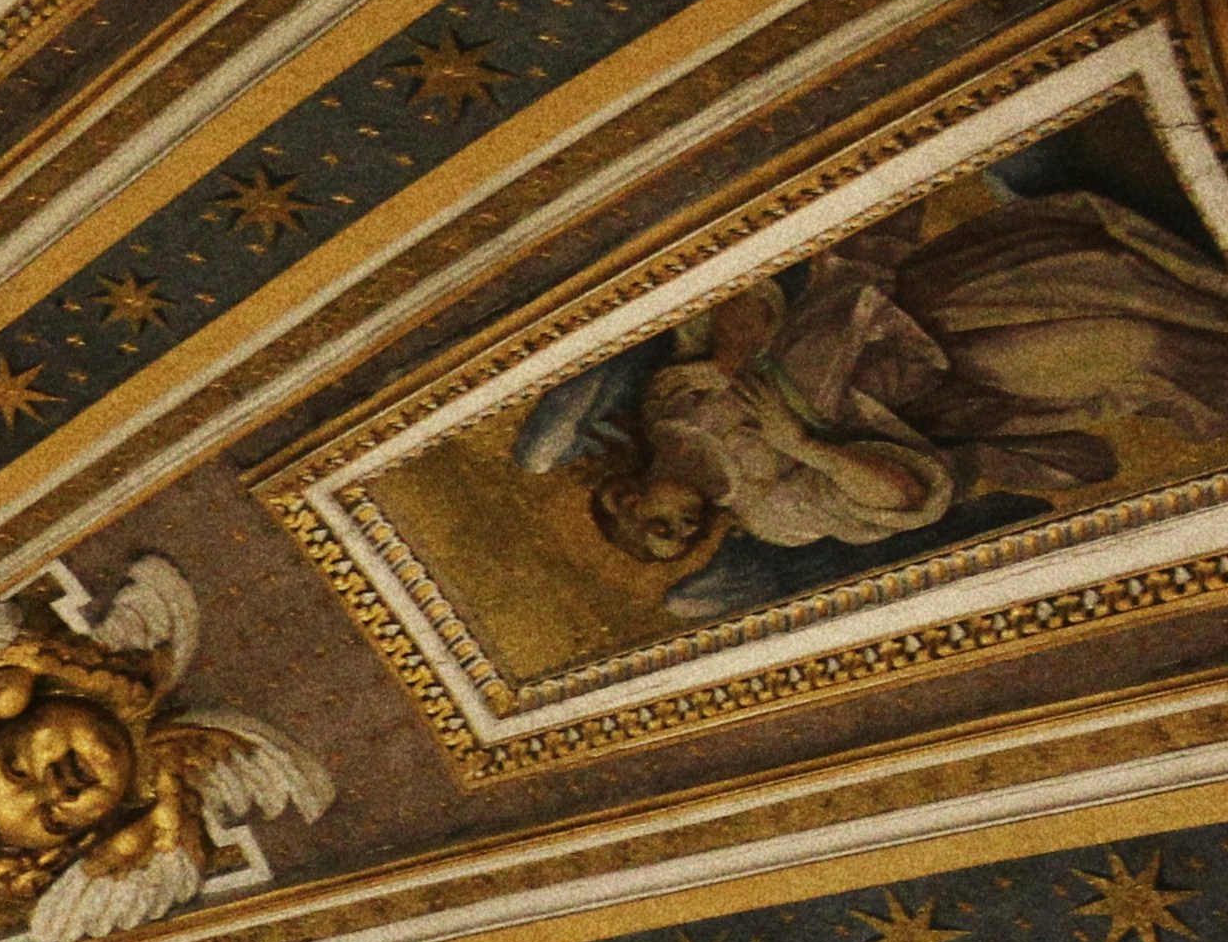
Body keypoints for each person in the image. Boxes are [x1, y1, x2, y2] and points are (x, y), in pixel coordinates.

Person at [523, 183, 1228, 620]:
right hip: (943, 390)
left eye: (654, 530)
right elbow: (902, 494)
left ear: (625, 497)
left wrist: (725, 357)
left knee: (1075, 264)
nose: (679, 536)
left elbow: (744, 294)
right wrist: (807, 448)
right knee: (1127, 340)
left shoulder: (666, 405)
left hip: (889, 317)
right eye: (678, 544)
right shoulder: (772, 514)